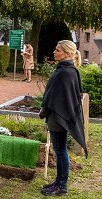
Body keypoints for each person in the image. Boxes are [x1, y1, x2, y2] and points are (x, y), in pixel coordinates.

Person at [39, 40, 88, 196]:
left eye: (58, 50)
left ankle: (62, 186)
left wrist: (43, 111)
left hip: (59, 117)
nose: (54, 52)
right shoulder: (69, 70)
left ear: (67, 53)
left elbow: (54, 97)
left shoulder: (65, 72)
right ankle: (58, 182)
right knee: (60, 151)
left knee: (60, 151)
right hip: (60, 116)